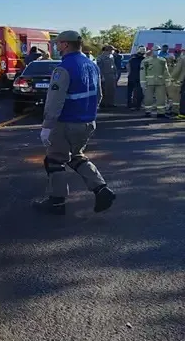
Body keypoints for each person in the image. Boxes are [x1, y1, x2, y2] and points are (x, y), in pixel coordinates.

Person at [33, 30, 116, 215]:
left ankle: (56, 202)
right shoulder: (92, 65)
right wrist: (87, 114)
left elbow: (55, 101)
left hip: (65, 123)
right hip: (86, 122)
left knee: (54, 160)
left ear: (65, 45)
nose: (56, 46)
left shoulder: (63, 68)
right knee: (76, 156)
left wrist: (47, 127)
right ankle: (101, 189)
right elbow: (99, 95)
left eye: (58, 43)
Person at [140, 46, 170, 118]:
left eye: (158, 50)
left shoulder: (162, 60)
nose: (157, 51)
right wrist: (142, 82)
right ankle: (148, 112)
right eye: (156, 50)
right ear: (152, 50)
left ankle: (161, 113)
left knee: (161, 98)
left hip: (160, 82)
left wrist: (168, 80)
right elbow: (142, 72)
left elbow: (166, 71)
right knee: (148, 98)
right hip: (149, 82)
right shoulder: (145, 61)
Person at [127, 46, 146, 110]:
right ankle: (137, 105)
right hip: (139, 78)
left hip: (131, 77)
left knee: (130, 92)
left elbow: (128, 67)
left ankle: (129, 104)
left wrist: (129, 74)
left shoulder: (132, 59)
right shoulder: (144, 60)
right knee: (138, 92)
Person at [167, 50, 185, 117]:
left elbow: (177, 70)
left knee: (176, 97)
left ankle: (176, 111)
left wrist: (171, 78)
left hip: (179, 80)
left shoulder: (182, 59)